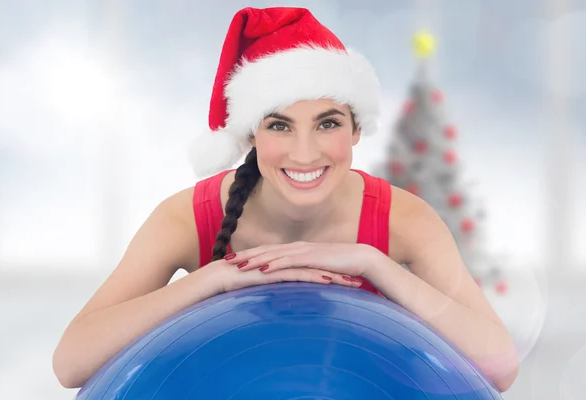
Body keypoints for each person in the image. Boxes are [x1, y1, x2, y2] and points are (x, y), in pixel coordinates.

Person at [52, 6, 519, 392]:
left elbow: (499, 367)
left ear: (357, 129)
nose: (304, 152)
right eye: (279, 125)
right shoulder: (187, 217)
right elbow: (71, 363)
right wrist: (209, 282)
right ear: (252, 133)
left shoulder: (404, 219)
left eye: (328, 123)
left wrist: (371, 262)